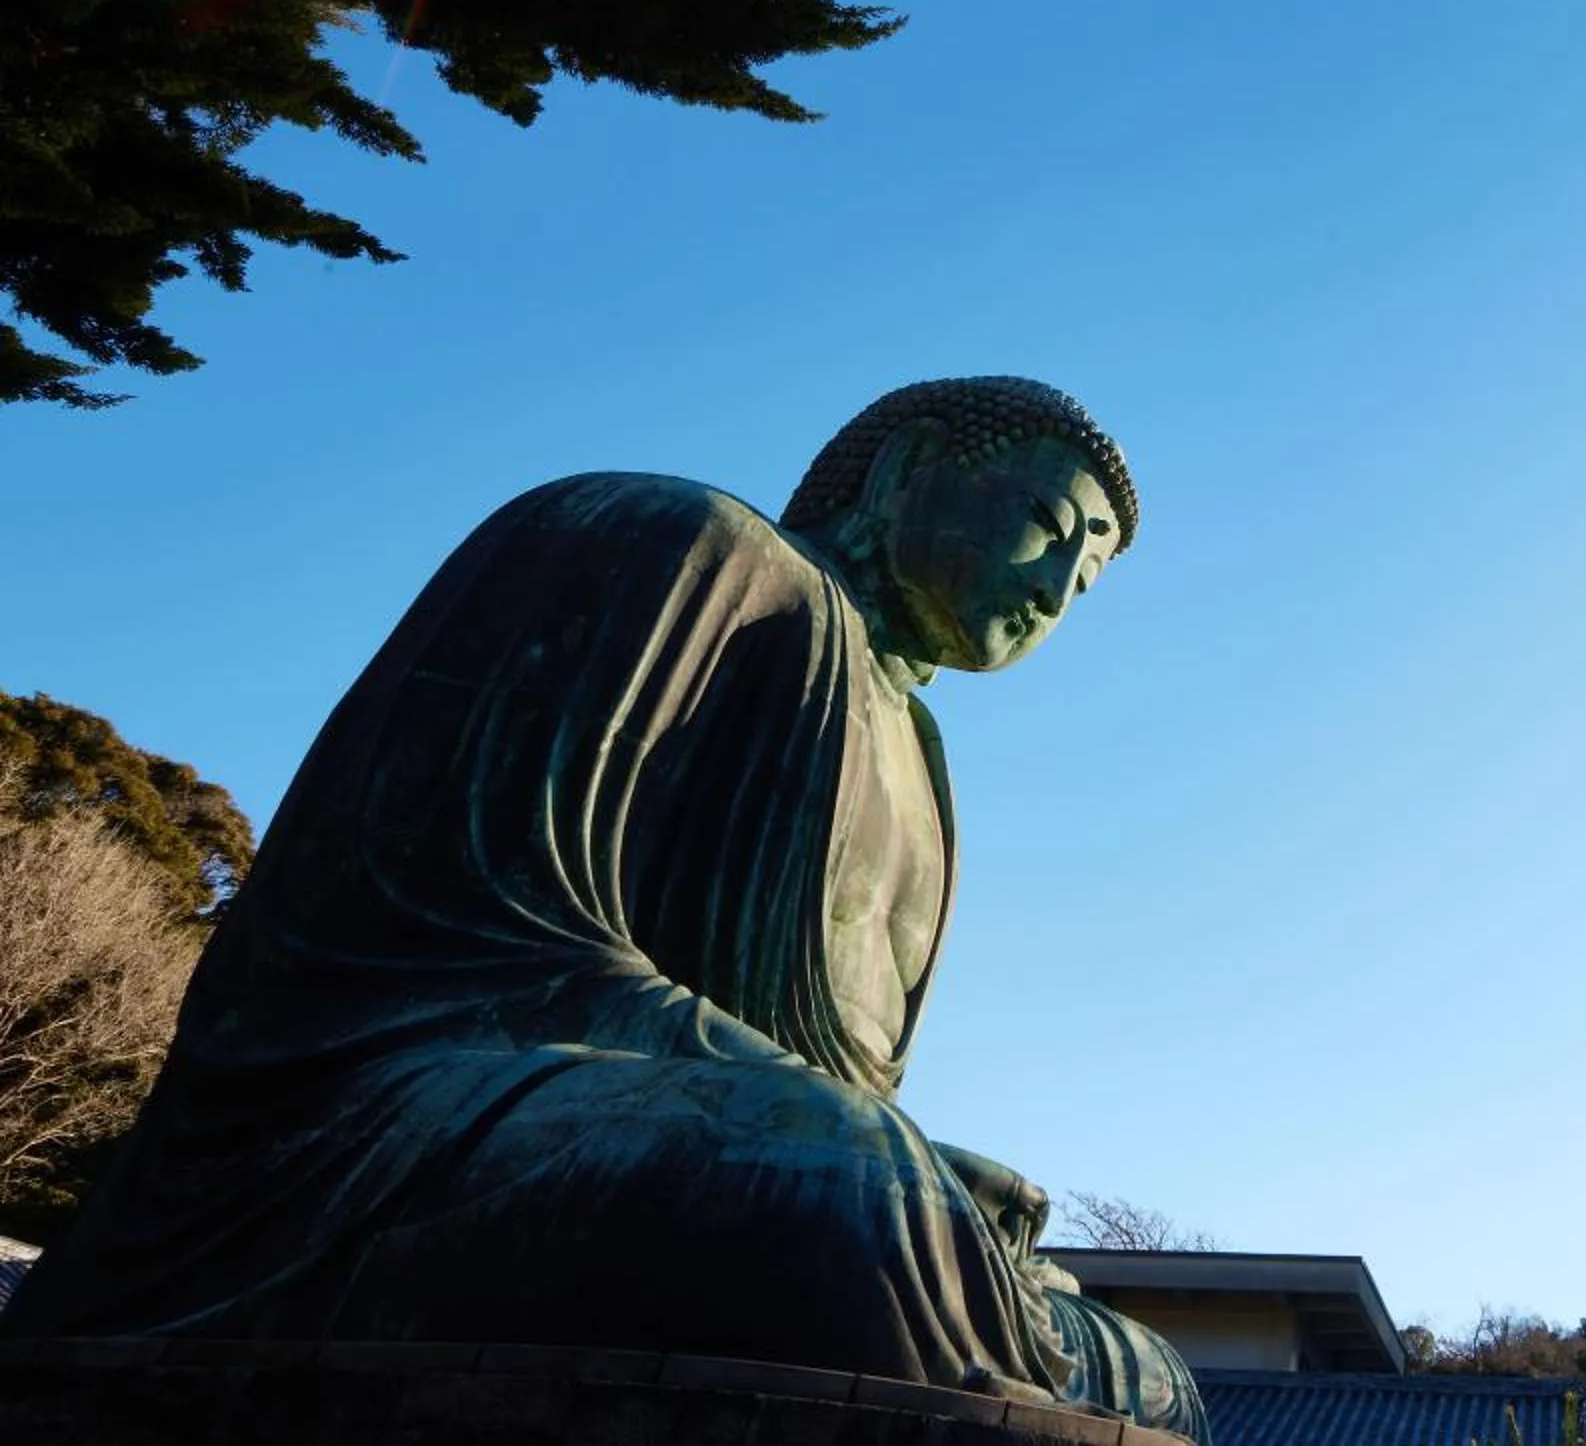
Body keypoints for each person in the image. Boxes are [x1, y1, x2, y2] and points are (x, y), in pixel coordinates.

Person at [1, 377, 1205, 1439]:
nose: (1053, 588)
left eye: (1084, 579)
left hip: (688, 1142)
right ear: (905, 468)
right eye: (1049, 529)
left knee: (1150, 1376)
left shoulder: (923, 760)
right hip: (405, 1107)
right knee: (848, 1196)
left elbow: (815, 1085)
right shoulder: (683, 547)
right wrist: (874, 1157)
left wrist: (924, 1174)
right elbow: (458, 921)